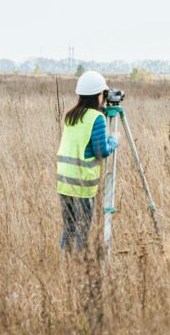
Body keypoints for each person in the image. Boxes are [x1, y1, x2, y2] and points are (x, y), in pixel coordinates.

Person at [56, 71, 120, 252]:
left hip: (64, 182)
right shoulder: (97, 118)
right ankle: (79, 269)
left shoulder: (71, 115)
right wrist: (114, 139)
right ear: (99, 95)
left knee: (69, 229)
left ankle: (65, 266)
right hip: (83, 184)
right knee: (82, 232)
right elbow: (101, 152)